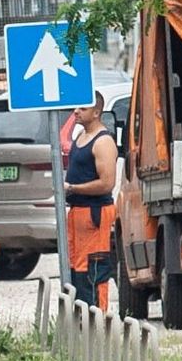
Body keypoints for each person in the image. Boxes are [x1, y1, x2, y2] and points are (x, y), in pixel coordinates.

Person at [63, 91, 117, 311]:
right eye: (76, 107)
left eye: (82, 108)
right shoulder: (80, 137)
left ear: (97, 112)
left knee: (92, 269)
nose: (76, 111)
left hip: (94, 213)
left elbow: (107, 183)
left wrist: (73, 188)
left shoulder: (103, 141)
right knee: (76, 267)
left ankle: (97, 319)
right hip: (77, 212)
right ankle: (81, 319)